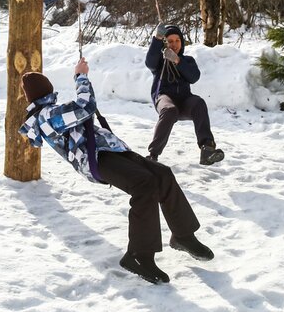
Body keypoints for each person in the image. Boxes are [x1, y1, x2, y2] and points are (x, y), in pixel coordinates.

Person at [18, 58, 214, 284]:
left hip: (112, 151)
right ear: (46, 90)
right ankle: (138, 256)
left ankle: (183, 235)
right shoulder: (46, 116)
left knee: (162, 174)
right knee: (144, 185)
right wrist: (81, 77)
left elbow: (83, 110)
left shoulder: (52, 110)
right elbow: (85, 106)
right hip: (98, 159)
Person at [145, 24, 225, 165]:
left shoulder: (187, 61)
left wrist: (177, 60)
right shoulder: (159, 61)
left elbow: (194, 77)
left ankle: (207, 148)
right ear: (165, 43)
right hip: (164, 98)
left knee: (198, 103)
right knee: (170, 110)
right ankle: (153, 155)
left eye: (177, 41)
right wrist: (157, 39)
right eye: (170, 41)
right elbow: (149, 62)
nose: (174, 44)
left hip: (184, 100)